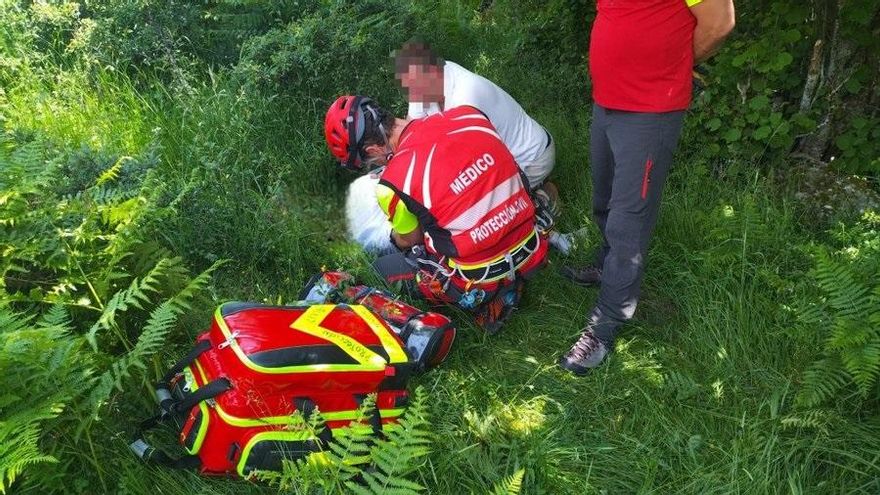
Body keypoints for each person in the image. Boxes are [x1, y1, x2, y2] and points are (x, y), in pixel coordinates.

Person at [558, 0, 736, 374]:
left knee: (628, 221)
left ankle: (605, 325)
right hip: (606, 100)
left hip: (650, 108)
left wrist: (670, 65)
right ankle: (607, 268)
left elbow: (719, 23)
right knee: (604, 199)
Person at [324, 95, 548, 333]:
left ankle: (492, 299)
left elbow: (410, 239)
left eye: (370, 162)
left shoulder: (392, 183)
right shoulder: (467, 113)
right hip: (532, 244)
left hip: (480, 279)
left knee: (381, 269)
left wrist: (395, 237)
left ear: (373, 149)